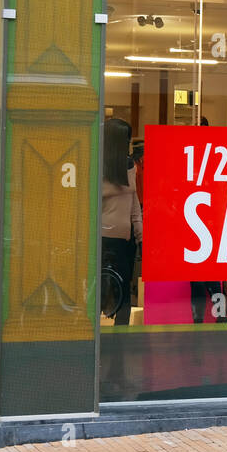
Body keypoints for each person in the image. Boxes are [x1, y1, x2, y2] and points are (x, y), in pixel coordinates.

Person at [101, 117, 142, 326]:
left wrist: (140, 235)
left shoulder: (129, 165)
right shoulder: (99, 167)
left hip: (125, 241)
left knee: (124, 292)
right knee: (104, 290)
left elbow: (134, 204)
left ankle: (120, 339)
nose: (129, 143)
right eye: (126, 139)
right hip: (104, 238)